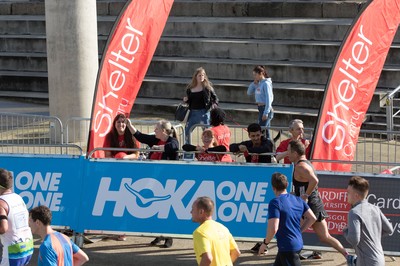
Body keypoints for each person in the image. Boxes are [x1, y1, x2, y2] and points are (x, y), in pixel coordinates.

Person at [287, 140, 350, 260]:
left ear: (295, 153)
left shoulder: (301, 166)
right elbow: (304, 185)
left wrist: (305, 195)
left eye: (289, 151)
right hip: (312, 205)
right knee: (324, 237)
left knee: (294, 230)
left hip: (309, 206)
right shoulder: (304, 164)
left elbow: (314, 181)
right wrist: (295, 194)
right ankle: (347, 255)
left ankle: (289, 255)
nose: (287, 154)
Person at [128, 119, 178, 247]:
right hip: (154, 180)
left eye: (156, 129)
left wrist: (158, 148)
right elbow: (140, 136)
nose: (154, 131)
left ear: (163, 131)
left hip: (167, 180)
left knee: (165, 210)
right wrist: (130, 125)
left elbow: (173, 147)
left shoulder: (172, 140)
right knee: (155, 210)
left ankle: (169, 237)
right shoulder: (155, 139)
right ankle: (158, 235)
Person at [258, 173, 317, 266]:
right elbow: (312, 218)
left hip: (287, 247)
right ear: (287, 185)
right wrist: (299, 231)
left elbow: (273, 228)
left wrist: (265, 244)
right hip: (295, 243)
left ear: (273, 187)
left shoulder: (275, 202)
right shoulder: (298, 200)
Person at [343, 176, 394, 266]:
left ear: (356, 195)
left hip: (367, 262)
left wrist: (345, 231)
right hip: (380, 260)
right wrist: (371, 236)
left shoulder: (354, 212)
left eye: (348, 192)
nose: (346, 195)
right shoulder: (375, 208)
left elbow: (354, 240)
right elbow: (389, 229)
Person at [191, 196, 241, 265]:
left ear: (201, 212)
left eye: (193, 209)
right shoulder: (223, 228)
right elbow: (236, 252)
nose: (191, 212)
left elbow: (207, 258)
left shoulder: (200, 232)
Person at [0, 168, 33, 266]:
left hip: (13, 252)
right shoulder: (18, 197)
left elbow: (3, 228)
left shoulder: (1, 203)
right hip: (28, 247)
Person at [183, 67, 219, 143]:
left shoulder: (207, 88)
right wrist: (186, 100)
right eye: (199, 75)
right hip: (192, 113)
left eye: (203, 75)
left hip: (204, 113)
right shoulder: (190, 88)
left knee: (208, 133)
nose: (201, 77)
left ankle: (209, 148)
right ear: (195, 76)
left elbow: (215, 98)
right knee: (187, 131)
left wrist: (214, 105)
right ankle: (188, 150)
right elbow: (189, 101)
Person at [247, 65, 274, 139]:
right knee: (266, 131)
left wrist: (266, 112)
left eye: (255, 75)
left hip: (265, 108)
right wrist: (253, 84)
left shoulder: (266, 84)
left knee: (261, 130)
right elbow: (249, 92)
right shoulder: (258, 83)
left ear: (261, 73)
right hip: (260, 108)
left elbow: (269, 98)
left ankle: (264, 146)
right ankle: (269, 146)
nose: (254, 76)